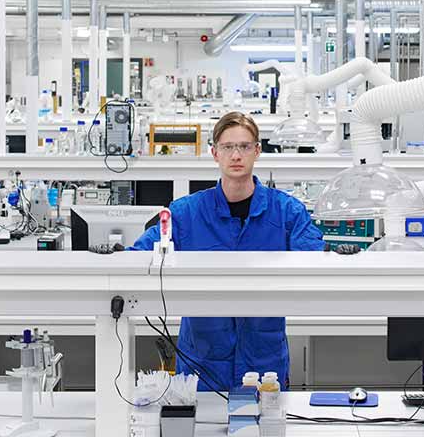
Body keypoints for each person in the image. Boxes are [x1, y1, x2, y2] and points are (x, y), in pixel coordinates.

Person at [132, 111, 324, 391]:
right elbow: (142, 251)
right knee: (202, 432)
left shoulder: (286, 212)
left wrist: (336, 254)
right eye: (228, 147)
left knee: (267, 431)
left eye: (245, 146)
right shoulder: (186, 213)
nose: (236, 155)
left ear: (257, 151)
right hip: (202, 359)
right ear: (214, 153)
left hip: (263, 357)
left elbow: (315, 258)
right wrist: (114, 253)